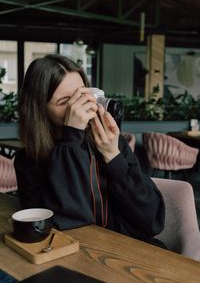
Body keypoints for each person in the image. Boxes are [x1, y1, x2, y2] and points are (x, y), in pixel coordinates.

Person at [14, 54, 166, 247]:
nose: (79, 107)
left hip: (130, 251)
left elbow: (152, 220)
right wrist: (71, 138)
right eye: (64, 102)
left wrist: (113, 156)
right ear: (40, 110)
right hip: (77, 257)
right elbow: (65, 225)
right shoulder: (29, 160)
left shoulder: (111, 143)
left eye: (82, 95)